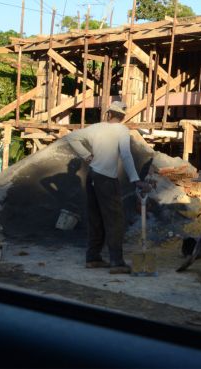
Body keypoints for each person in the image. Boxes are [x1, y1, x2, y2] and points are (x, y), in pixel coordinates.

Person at [66, 101, 149, 274]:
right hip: (107, 180)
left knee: (95, 218)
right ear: (122, 116)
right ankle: (117, 262)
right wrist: (136, 180)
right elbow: (126, 156)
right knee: (114, 220)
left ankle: (93, 258)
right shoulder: (122, 130)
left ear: (109, 114)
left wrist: (87, 156)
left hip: (92, 177)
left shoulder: (95, 128)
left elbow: (71, 137)